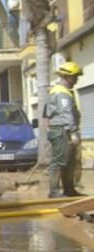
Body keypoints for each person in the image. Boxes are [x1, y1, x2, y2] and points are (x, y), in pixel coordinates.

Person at [44, 61, 82, 198]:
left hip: (63, 130)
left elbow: (46, 114)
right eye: (75, 76)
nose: (77, 79)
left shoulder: (60, 91)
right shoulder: (61, 93)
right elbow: (66, 113)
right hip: (62, 131)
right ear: (67, 76)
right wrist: (73, 132)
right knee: (59, 161)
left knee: (70, 162)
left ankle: (69, 190)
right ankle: (53, 191)